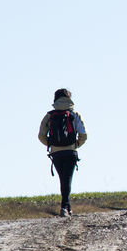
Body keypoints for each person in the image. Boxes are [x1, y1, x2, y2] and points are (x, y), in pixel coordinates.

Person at [37, 88, 88, 216]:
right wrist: (75, 145)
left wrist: (51, 144)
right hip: (70, 152)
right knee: (67, 179)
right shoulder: (74, 115)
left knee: (63, 179)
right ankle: (65, 206)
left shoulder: (49, 115)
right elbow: (83, 134)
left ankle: (66, 206)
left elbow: (41, 135)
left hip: (56, 153)